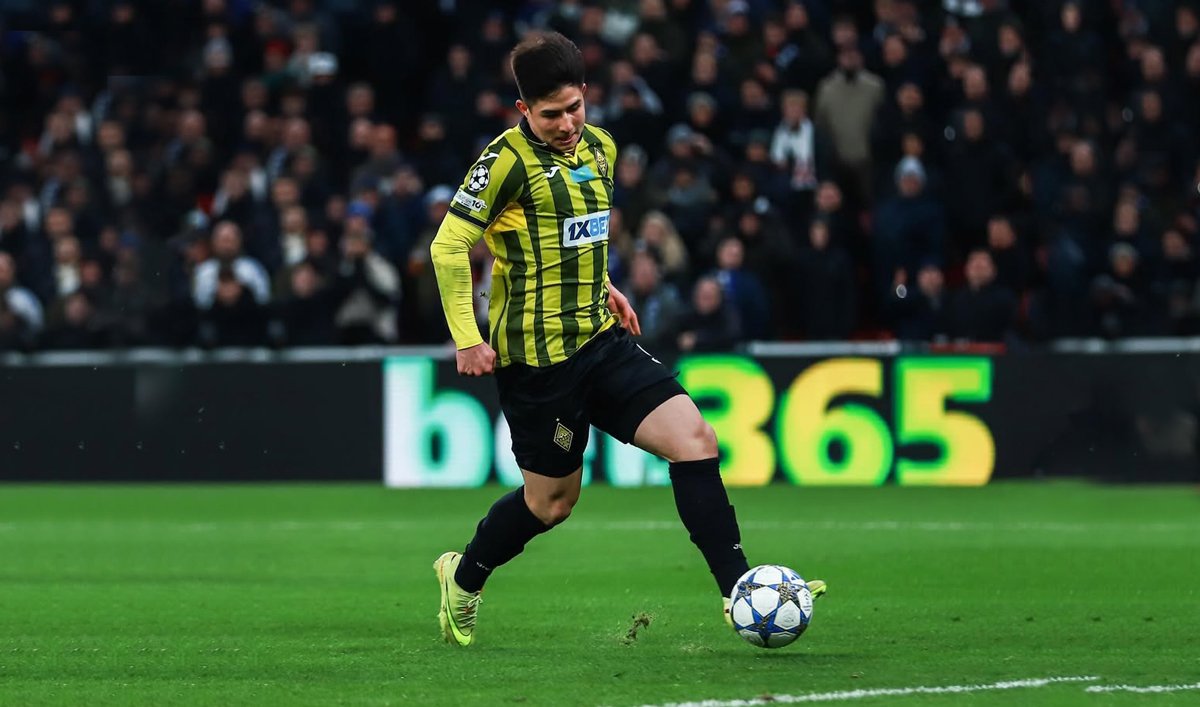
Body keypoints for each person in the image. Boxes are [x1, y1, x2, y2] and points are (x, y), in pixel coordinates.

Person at [428, 31, 826, 647]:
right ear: (523, 110)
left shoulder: (603, 147)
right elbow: (448, 245)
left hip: (601, 338)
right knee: (551, 504)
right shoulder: (504, 162)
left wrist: (606, 284)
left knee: (695, 440)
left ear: (586, 94)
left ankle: (740, 593)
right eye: (550, 115)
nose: (567, 124)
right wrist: (466, 336)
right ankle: (463, 576)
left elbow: (580, 234)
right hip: (538, 362)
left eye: (574, 108)